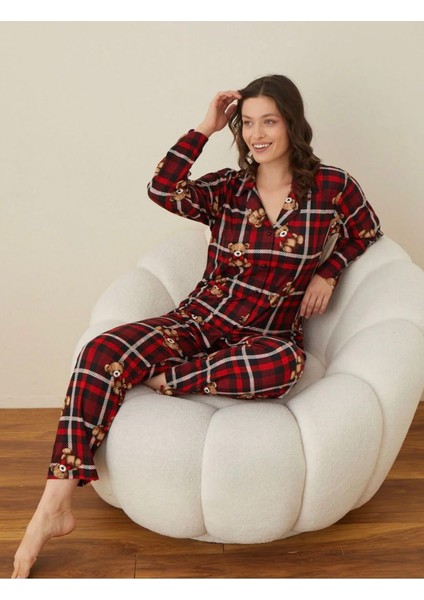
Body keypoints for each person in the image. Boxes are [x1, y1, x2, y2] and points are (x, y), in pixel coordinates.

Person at [12, 74, 383, 577]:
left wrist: (328, 270)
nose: (257, 134)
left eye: (269, 122)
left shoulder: (332, 186)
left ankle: (167, 379)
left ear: (292, 124)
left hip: (269, 337)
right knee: (100, 350)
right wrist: (205, 127)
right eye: (247, 123)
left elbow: (366, 230)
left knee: (284, 366)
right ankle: (53, 506)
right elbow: (162, 188)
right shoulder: (228, 188)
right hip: (198, 323)